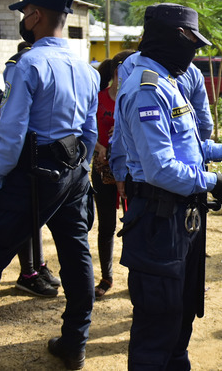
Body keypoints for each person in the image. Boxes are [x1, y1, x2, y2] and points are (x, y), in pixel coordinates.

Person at [111, 3, 222, 369]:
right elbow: (161, 169)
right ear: (169, 39)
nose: (194, 52)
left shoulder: (169, 82)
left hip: (182, 218)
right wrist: (214, 180)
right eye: (191, 42)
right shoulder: (147, 88)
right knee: (158, 324)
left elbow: (186, 147)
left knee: (182, 314)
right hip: (158, 221)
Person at [0, 0, 99, 370]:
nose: (22, 20)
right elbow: (90, 133)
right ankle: (75, 342)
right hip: (73, 171)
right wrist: (79, 171)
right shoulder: (86, 69)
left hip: (33, 172)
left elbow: (10, 132)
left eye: (24, 13)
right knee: (76, 255)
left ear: (35, 15)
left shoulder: (29, 65)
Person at [1, 40, 61, 298]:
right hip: (19, 158)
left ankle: (38, 265)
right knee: (24, 220)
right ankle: (28, 273)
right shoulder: (17, 67)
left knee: (35, 219)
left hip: (35, 156)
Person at [92, 50, 135, 299]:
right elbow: (86, 130)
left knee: (133, 226)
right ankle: (106, 277)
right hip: (102, 170)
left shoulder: (134, 99)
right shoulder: (98, 99)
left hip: (130, 172)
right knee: (106, 226)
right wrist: (100, 148)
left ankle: (135, 277)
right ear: (116, 73)